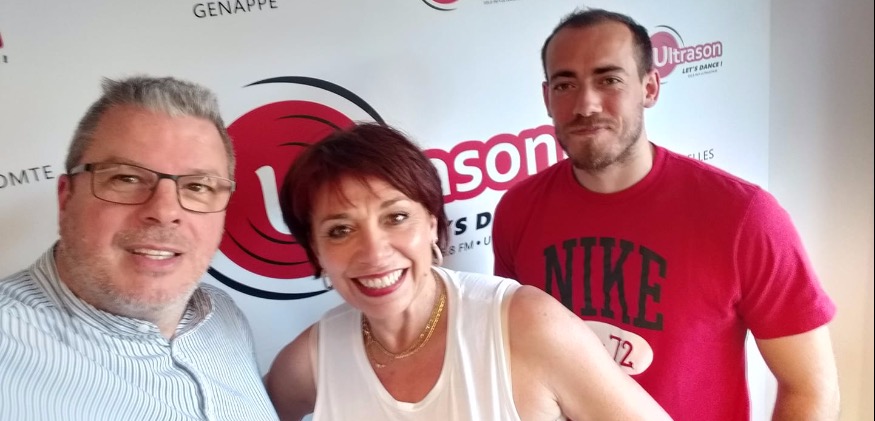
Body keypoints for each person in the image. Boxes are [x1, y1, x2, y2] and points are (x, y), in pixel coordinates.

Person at [491, 8, 840, 421]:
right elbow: (513, 357)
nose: (586, 104)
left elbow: (811, 389)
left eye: (609, 80)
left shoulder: (743, 217)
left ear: (650, 87)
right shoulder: (517, 210)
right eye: (565, 84)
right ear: (547, 98)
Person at [264, 123, 671, 420]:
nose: (374, 252)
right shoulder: (309, 362)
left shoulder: (525, 324)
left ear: (431, 224)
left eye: (396, 217)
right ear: (316, 250)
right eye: (340, 230)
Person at [0, 76, 279, 420]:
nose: (165, 211)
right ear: (66, 197)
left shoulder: (222, 315)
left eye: (197, 186)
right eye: (126, 178)